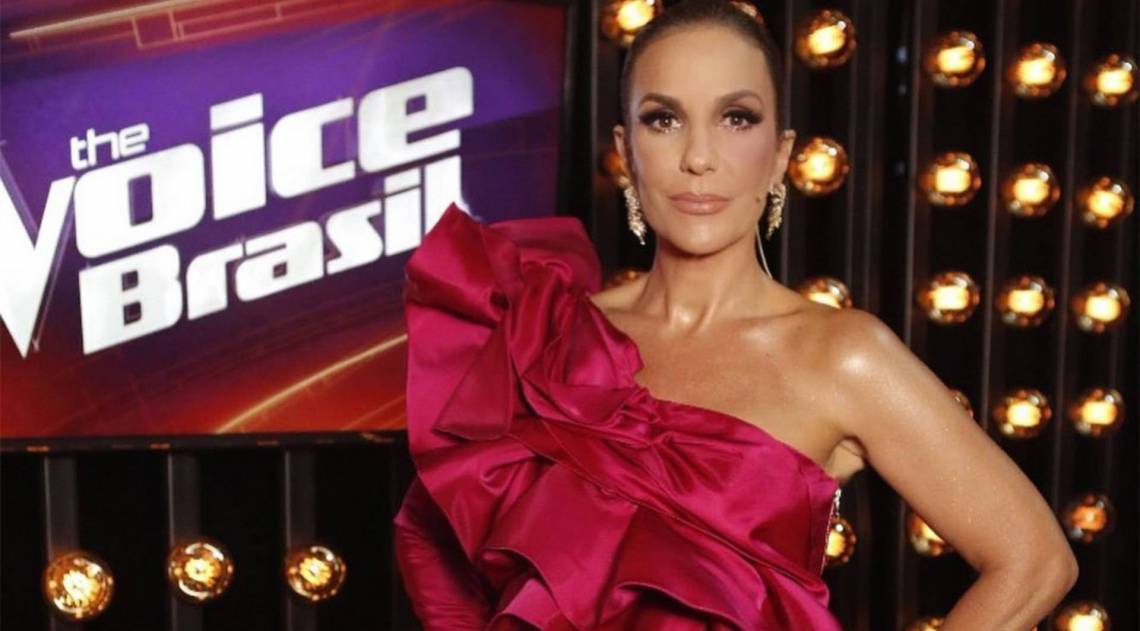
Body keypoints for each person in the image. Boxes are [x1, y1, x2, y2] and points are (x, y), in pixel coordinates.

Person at [392, 1, 1078, 629]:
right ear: (625, 151)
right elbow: (460, 573)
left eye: (736, 118)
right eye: (664, 119)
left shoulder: (841, 354)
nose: (698, 158)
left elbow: (1035, 560)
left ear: (780, 156)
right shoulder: (549, 334)